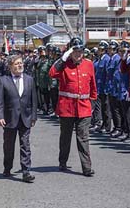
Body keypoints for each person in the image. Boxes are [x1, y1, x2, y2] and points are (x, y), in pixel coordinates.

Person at [49, 37, 97, 177]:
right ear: (70, 52)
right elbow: (52, 73)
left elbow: (93, 85)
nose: (78, 54)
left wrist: (92, 103)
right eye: (75, 51)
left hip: (84, 107)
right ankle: (63, 161)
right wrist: (63, 58)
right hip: (67, 108)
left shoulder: (88, 64)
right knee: (65, 137)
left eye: (80, 51)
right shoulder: (64, 65)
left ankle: (86, 167)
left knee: (83, 138)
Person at [0, 54, 37, 183]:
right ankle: (7, 167)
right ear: (10, 66)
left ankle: (26, 171)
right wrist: (0, 116)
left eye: (21, 63)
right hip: (9, 118)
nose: (19, 66)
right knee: (9, 145)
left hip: (26, 117)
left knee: (25, 144)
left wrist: (34, 116)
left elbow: (33, 99)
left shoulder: (29, 79)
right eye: (16, 64)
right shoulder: (3, 80)